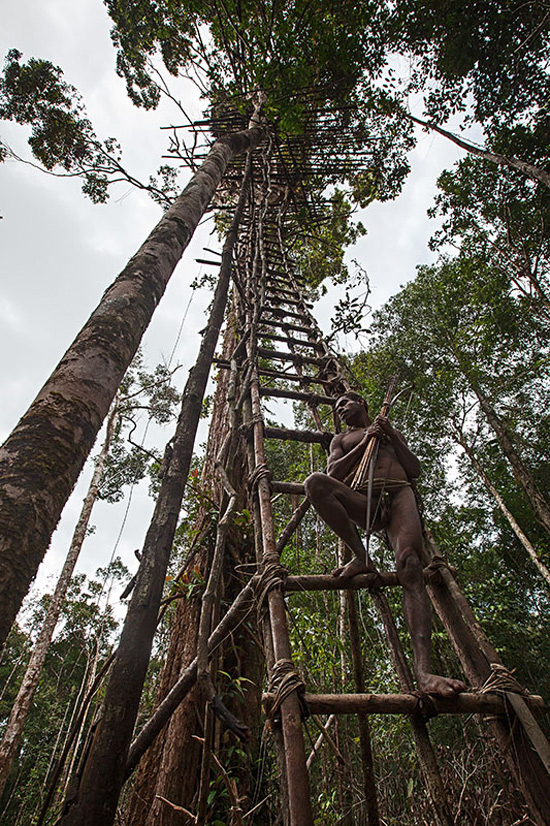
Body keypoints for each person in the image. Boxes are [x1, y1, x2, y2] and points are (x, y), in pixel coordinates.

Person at [304, 391, 466, 698]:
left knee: (411, 566)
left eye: (344, 403)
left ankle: (424, 673)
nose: (340, 409)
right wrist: (365, 443)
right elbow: (333, 473)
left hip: (399, 495)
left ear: (361, 403)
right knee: (314, 483)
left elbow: (414, 470)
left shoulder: (388, 430)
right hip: (365, 500)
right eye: (337, 408)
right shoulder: (340, 440)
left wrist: (388, 433)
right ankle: (361, 555)